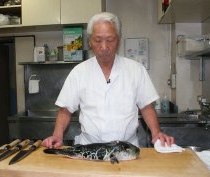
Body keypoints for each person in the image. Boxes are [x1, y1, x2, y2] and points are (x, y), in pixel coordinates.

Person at [42, 12, 174, 148]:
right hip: (89, 149)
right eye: (98, 40)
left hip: (125, 149)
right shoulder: (79, 72)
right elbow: (65, 110)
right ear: (90, 41)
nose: (104, 47)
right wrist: (57, 136)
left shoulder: (135, 70)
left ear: (118, 40)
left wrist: (156, 132)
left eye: (110, 40)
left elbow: (147, 107)